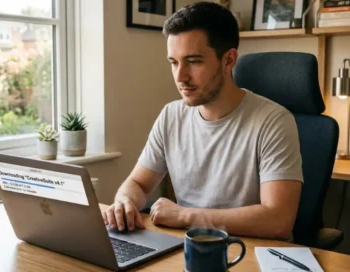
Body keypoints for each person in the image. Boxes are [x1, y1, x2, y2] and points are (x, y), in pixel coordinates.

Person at [103, 2, 303, 240]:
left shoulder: (274, 122)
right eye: (174, 62)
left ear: (228, 60)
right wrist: (125, 201)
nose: (180, 77)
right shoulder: (171, 116)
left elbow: (278, 220)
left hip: (250, 253)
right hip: (190, 249)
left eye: (194, 61)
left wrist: (185, 216)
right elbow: (138, 183)